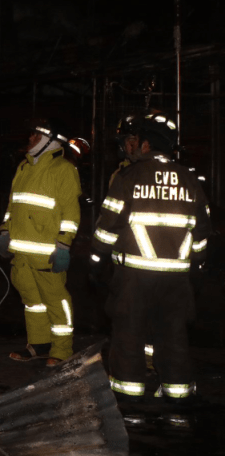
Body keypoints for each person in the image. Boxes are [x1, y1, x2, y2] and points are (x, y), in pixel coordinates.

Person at [91, 114, 210, 404]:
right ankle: (178, 400)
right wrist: (197, 267)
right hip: (177, 280)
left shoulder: (128, 178)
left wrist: (95, 261)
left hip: (134, 278)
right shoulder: (191, 179)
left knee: (129, 336)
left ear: (146, 145)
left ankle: (128, 402)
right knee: (173, 337)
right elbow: (203, 233)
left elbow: (108, 226)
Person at [0, 119, 82, 366]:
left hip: (47, 253)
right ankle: (40, 345)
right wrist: (5, 231)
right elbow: (13, 205)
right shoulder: (24, 167)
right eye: (31, 134)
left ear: (49, 140)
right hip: (21, 253)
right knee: (32, 303)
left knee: (56, 302)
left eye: (36, 136)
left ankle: (63, 349)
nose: (30, 139)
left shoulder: (63, 169)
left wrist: (64, 246)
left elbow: (71, 213)